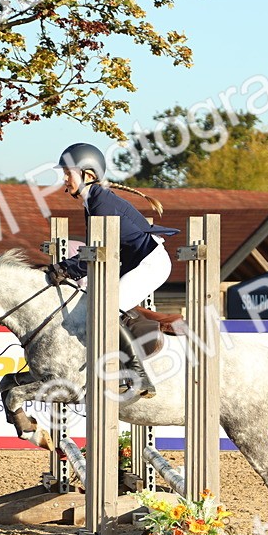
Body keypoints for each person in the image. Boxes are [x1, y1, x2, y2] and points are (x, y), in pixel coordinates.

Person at [45, 142, 176, 398]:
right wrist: (67, 269)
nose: (64, 178)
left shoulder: (101, 203)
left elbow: (96, 252)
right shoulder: (92, 201)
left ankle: (139, 374)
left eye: (68, 172)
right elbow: (96, 254)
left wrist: (64, 268)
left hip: (150, 264)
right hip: (133, 264)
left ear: (88, 174)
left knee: (106, 311)